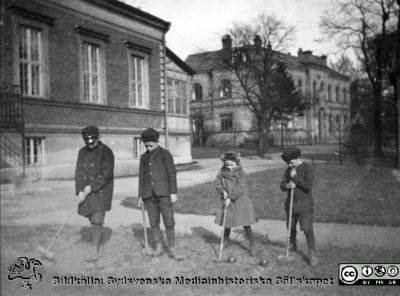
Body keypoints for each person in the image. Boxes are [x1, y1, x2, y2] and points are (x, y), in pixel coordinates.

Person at [137, 128, 184, 261]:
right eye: (146, 146)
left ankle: (172, 248)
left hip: (164, 193)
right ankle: (158, 247)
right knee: (153, 221)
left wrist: (173, 192)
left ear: (157, 142)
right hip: (148, 194)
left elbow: (172, 173)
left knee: (169, 220)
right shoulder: (143, 157)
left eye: (151, 145)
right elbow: (141, 176)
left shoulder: (165, 154)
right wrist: (140, 195)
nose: (149, 148)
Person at [75, 125, 114, 264]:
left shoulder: (107, 152)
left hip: (101, 192)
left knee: (97, 218)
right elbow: (79, 173)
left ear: (99, 137)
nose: (90, 145)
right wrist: (79, 190)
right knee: (92, 218)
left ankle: (95, 251)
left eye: (93, 142)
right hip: (86, 192)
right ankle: (99, 243)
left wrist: (91, 187)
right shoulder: (82, 152)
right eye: (87, 142)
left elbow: (106, 175)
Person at [214, 152, 258, 257]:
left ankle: (252, 244)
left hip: (240, 201)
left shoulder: (242, 174)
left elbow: (240, 189)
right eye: (227, 165)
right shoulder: (221, 174)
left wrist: (231, 197)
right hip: (227, 201)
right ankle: (225, 241)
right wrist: (222, 191)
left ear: (237, 164)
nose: (229, 167)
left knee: (246, 223)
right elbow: (217, 184)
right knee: (227, 222)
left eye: (231, 165)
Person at [280, 146, 318, 266]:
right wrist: (287, 186)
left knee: (307, 228)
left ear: (298, 158)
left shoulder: (307, 168)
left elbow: (307, 186)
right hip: (291, 204)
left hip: (305, 204)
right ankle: (292, 245)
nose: (289, 164)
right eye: (287, 163)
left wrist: (295, 177)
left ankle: (312, 253)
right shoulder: (289, 169)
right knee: (290, 226)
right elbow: (282, 185)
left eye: (291, 162)